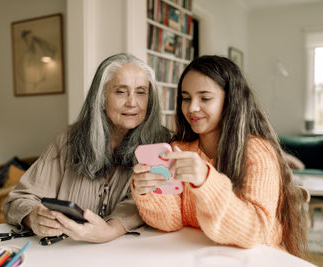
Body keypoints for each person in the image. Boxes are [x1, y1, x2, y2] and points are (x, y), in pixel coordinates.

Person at [131, 55, 306, 257]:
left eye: (205, 98)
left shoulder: (257, 152)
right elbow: (171, 222)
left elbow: (256, 233)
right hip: (196, 258)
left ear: (230, 100)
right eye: (186, 98)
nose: (192, 108)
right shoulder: (180, 149)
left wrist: (206, 181)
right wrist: (147, 191)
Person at [4, 53, 170, 243]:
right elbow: (18, 200)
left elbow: (159, 205)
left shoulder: (162, 143)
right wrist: (33, 217)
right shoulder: (68, 139)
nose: (132, 102)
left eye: (141, 92)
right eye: (121, 92)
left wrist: (111, 229)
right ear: (101, 97)